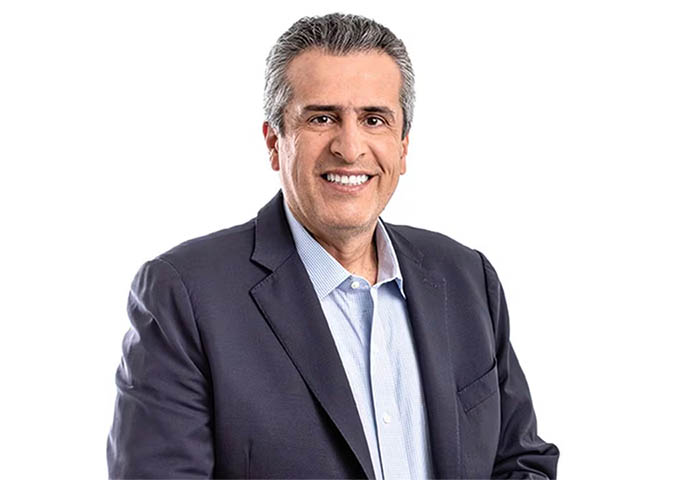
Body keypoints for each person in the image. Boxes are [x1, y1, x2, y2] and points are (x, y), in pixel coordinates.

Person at [107, 13, 559, 479]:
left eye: (374, 119)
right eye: (322, 118)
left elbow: (521, 461)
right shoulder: (186, 295)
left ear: (403, 147)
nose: (350, 147)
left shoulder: (466, 278)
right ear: (274, 142)